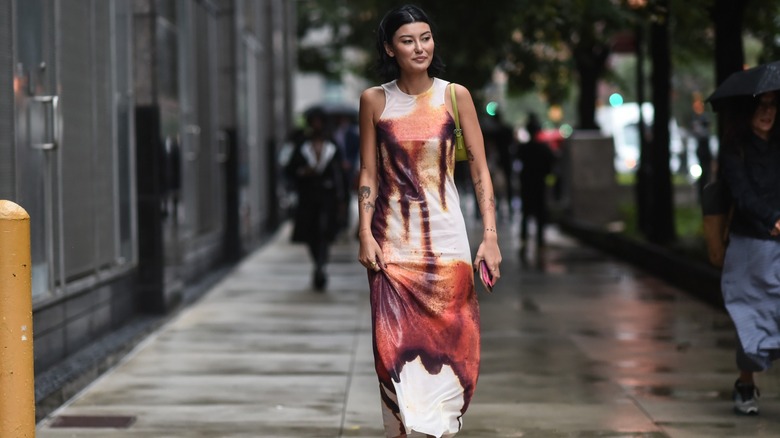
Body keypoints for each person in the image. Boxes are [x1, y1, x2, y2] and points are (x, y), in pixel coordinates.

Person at [356, 5, 502, 437]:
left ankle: (440, 431)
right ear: (389, 48)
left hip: (448, 245)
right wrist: (364, 233)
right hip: (392, 246)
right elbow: (368, 173)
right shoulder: (374, 100)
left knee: (451, 350)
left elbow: (479, 170)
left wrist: (489, 237)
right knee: (392, 355)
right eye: (407, 40)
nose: (419, 47)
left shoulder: (454, 96)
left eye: (425, 37)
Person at [719, 91, 780, 415]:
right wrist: (773, 219)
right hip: (749, 250)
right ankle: (745, 383)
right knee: (750, 318)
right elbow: (741, 194)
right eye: (760, 105)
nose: (767, 112)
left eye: (772, 105)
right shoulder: (735, 149)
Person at [282, 109, 346, 291]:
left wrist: (341, 197)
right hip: (307, 196)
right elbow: (289, 170)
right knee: (310, 232)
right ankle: (317, 262)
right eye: (314, 121)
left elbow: (340, 173)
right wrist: (302, 172)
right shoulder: (301, 144)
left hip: (328, 196)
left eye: (320, 121)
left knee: (325, 230)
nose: (317, 125)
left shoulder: (332, 145)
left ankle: (321, 265)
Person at [517, 113, 555, 258]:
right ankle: (540, 240)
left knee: (526, 213)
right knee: (540, 212)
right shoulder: (543, 148)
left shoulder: (523, 148)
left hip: (527, 183)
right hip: (539, 183)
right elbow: (551, 163)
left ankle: (524, 238)